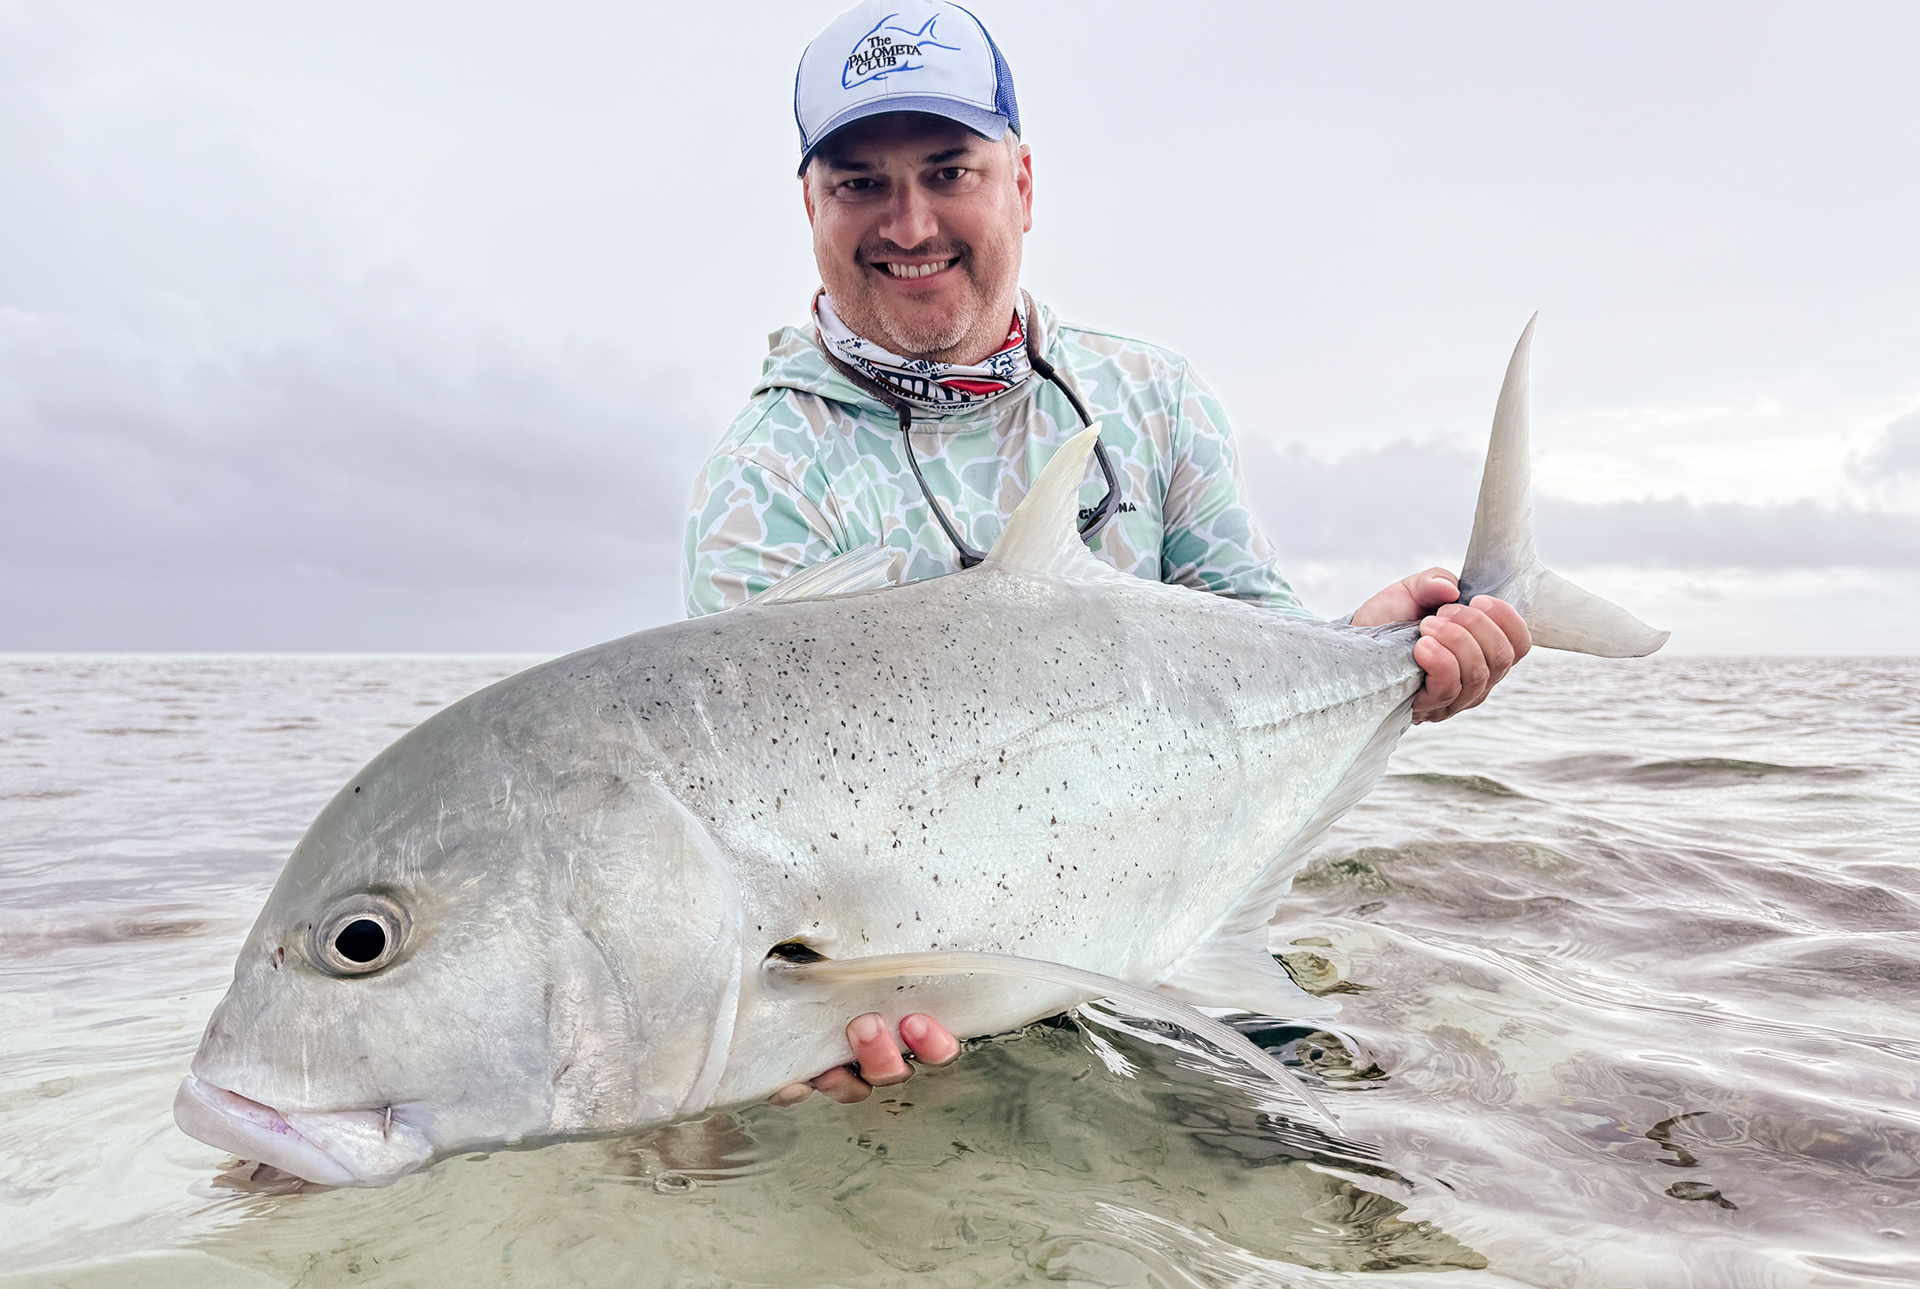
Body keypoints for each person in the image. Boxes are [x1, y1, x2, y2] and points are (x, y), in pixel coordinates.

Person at [682, 0, 1530, 1107]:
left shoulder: (1152, 397)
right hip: (928, 1006)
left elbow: (1251, 634)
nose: (908, 221)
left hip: (1173, 912)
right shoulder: (764, 481)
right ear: (810, 203)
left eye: (949, 170)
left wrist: (1382, 657)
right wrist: (763, 1033)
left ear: (1021, 184)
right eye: (860, 184)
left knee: (1364, 1159)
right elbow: (748, 840)